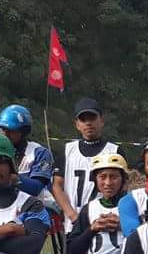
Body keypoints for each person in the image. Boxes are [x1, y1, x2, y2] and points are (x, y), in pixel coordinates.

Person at [51, 98, 119, 230]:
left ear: (101, 121)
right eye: (83, 119)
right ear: (77, 124)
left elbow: (122, 187)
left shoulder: (114, 151)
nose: (88, 123)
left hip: (104, 223)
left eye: (92, 118)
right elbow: (57, 186)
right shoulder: (67, 150)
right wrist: (72, 215)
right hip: (73, 224)